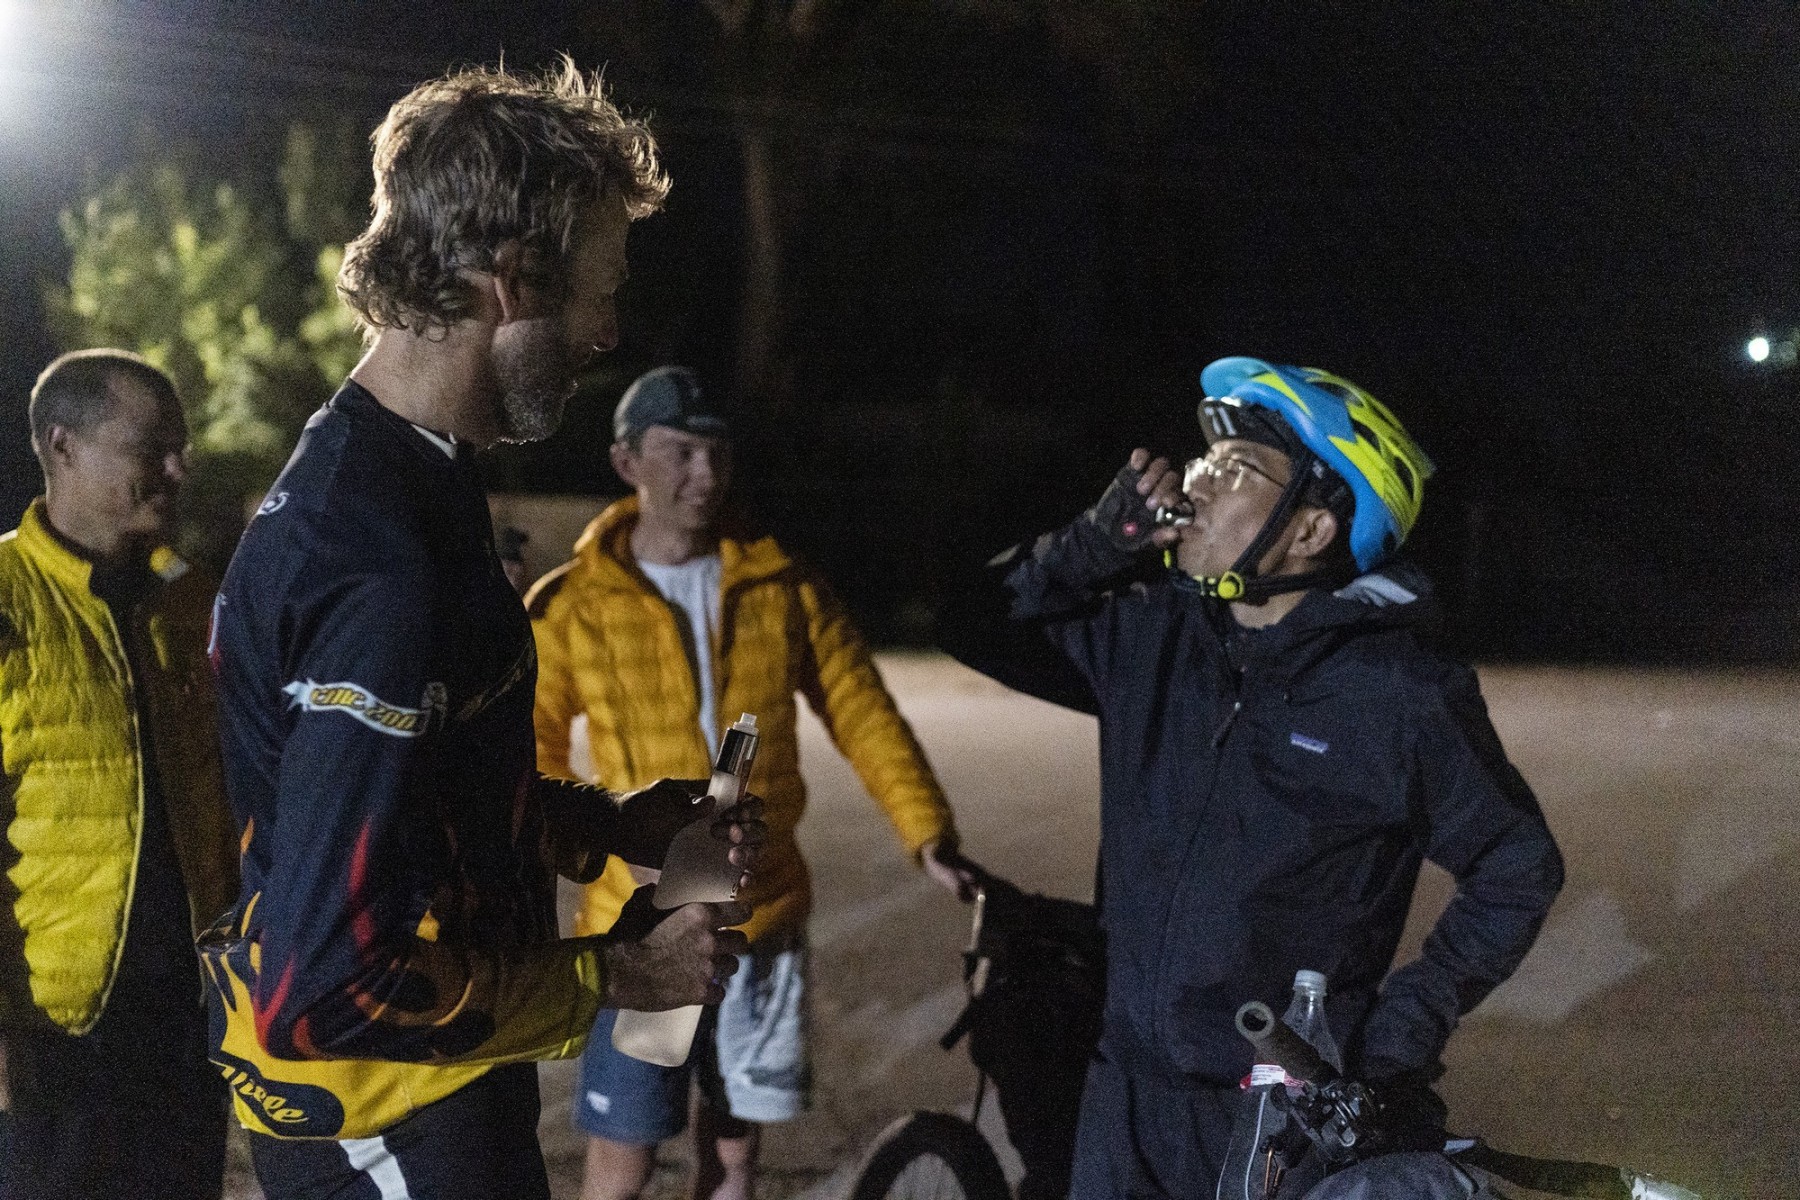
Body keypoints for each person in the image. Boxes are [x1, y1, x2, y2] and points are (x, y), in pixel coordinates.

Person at [202, 63, 763, 1200]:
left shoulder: (405, 470)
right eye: (600, 290)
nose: (607, 331)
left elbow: (423, 788)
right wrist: (619, 974)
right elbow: (323, 989)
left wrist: (607, 827)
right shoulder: (381, 565)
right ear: (512, 280)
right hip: (388, 1122)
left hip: (433, 1094)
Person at [938, 357, 1565, 1199]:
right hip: (1124, 1100)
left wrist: (1399, 1035)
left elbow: (1516, 867)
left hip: (1279, 1120)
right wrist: (1091, 544)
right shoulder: (1154, 637)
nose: (1196, 478)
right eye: (1205, 456)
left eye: (1235, 467)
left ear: (1310, 531)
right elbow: (970, 621)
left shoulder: (1394, 691)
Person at [528, 365, 979, 1200]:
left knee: (735, 1153)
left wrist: (928, 833)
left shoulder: (784, 584)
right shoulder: (574, 603)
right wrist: (598, 845)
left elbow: (864, 713)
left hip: (759, 916)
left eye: (718, 452)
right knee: (624, 1154)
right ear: (627, 462)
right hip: (643, 925)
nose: (705, 473)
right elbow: (532, 755)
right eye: (681, 452)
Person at [0, 349, 239, 1200]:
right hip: (51, 1038)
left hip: (188, 1024)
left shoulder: (195, 603)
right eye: (151, 448)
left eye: (181, 447)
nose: (177, 469)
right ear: (61, 445)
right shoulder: (7, 599)